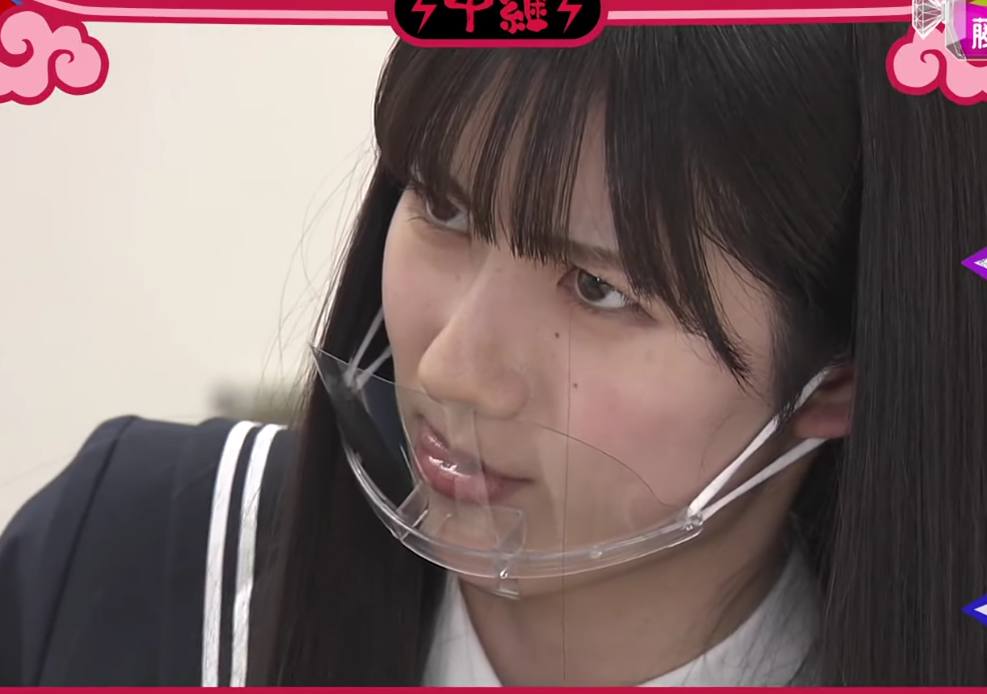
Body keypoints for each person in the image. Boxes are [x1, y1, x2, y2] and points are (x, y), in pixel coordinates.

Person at [2, 22, 986, 687]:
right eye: (443, 207)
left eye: (599, 290)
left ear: (836, 378)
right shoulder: (131, 557)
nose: (450, 370)